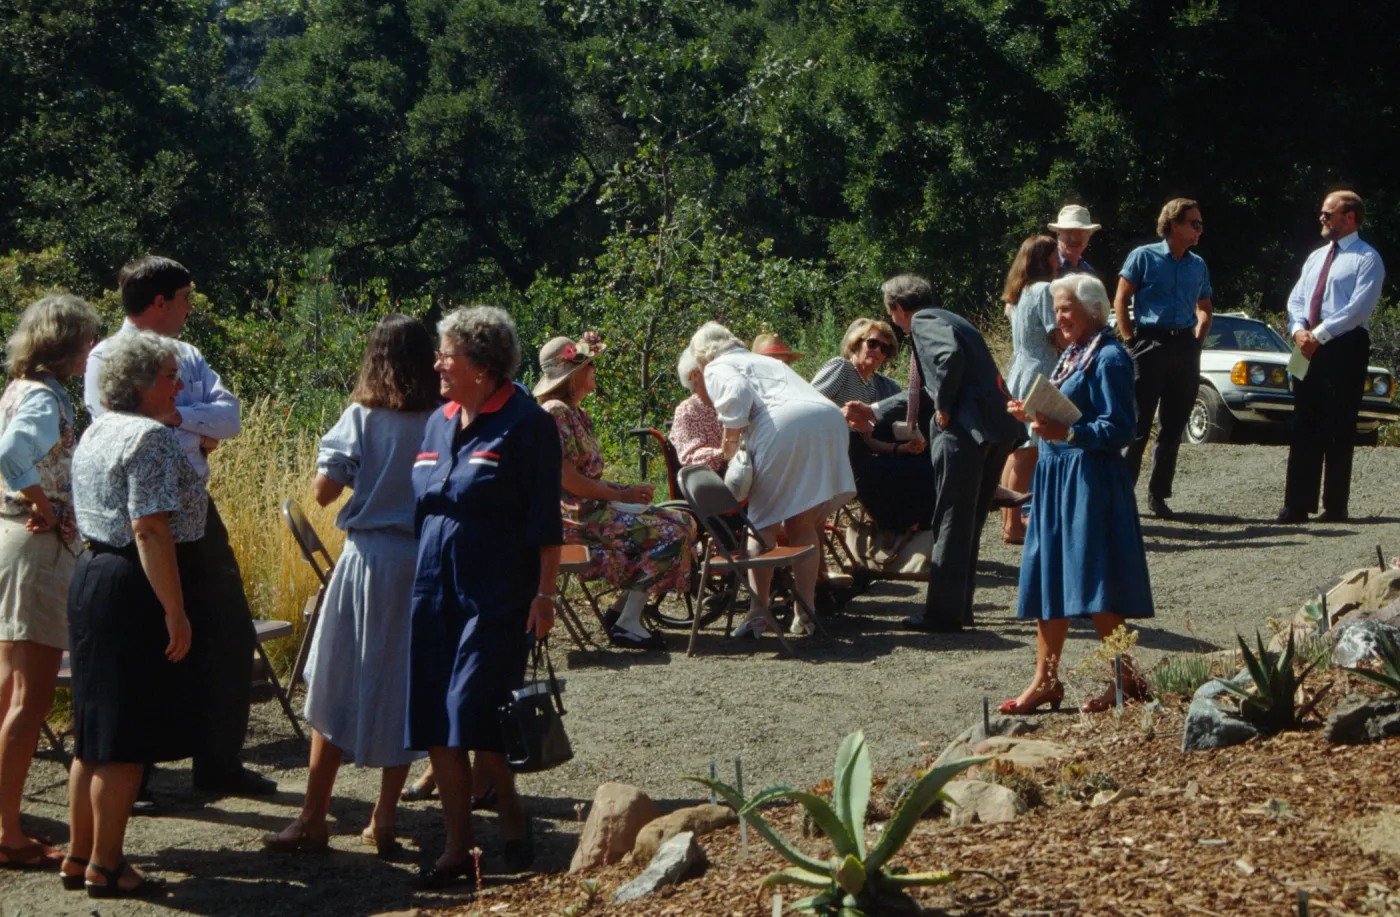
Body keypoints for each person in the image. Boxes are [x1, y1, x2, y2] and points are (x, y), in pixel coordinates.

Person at [84, 256, 274, 804]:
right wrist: (194, 427)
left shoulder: (186, 354)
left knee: (229, 631)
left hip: (195, 509)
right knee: (147, 640)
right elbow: (120, 431)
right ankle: (135, 774)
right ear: (160, 301)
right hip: (140, 516)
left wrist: (180, 417)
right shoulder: (106, 357)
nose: (191, 308)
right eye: (186, 298)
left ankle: (218, 762)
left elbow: (230, 419)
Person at [264, 315, 437, 855]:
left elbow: (323, 492)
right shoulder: (443, 418)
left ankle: (313, 816)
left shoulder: (361, 416)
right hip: (422, 562)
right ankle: (383, 818)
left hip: (367, 562)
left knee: (336, 681)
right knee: (404, 685)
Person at [406, 306, 561, 887]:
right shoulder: (437, 420)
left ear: (481, 363)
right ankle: (460, 848)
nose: (436, 365)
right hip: (432, 589)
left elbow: (546, 521)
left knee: (470, 708)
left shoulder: (527, 424)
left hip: (496, 594)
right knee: (435, 717)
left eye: (446, 354)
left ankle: (510, 813)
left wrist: (544, 594)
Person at [66, 330, 206, 896]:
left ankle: (79, 855)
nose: (179, 387)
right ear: (143, 383)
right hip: (130, 583)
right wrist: (175, 610)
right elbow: (149, 529)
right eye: (171, 377)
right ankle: (107, 865)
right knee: (121, 739)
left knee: (93, 732)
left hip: (92, 575)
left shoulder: (99, 428)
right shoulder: (149, 436)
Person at [1003, 274, 1153, 714]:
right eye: (1056, 310)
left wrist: (1069, 432)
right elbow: (1068, 411)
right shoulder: (1072, 353)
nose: (1060, 317)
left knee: (1094, 577)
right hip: (1056, 476)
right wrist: (1034, 415)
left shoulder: (1109, 357)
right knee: (1050, 575)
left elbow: (1122, 428)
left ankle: (1127, 678)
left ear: (1095, 309)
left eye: (1067, 308)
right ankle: (1046, 680)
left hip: (1090, 479)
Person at [843, 275, 1025, 633]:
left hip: (965, 431)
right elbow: (926, 388)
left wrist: (944, 406)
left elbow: (947, 360)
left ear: (897, 308)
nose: (893, 320)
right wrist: (876, 409)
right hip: (995, 429)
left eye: (890, 312)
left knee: (951, 520)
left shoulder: (925, 321)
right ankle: (958, 609)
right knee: (968, 522)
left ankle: (942, 615)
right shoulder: (950, 319)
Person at [0, 295, 99, 870]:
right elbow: (12, 454)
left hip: (15, 544)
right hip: (36, 550)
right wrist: (40, 500)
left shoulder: (19, 388)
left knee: (9, 693)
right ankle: (8, 834)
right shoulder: (42, 396)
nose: (91, 349)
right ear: (66, 345)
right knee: (30, 698)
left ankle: (5, 821)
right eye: (86, 339)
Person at [690, 322, 855, 638]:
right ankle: (805, 614)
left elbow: (736, 399)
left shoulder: (718, 366)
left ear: (702, 355)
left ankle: (758, 613)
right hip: (827, 420)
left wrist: (728, 452)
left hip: (783, 427)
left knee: (762, 524)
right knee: (802, 522)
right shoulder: (763, 361)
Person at [538, 332, 695, 650]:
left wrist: (625, 489)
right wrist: (621, 497)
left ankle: (621, 612)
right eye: (589, 365)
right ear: (573, 374)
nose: (594, 370)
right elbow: (568, 479)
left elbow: (587, 475)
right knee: (671, 533)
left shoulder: (577, 413)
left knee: (684, 520)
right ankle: (627, 622)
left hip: (593, 510)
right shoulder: (555, 412)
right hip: (575, 519)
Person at [1278, 191, 1386, 524]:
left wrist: (1319, 335)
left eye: (1329, 213)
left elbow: (1358, 309)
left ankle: (1335, 506)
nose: (1322, 218)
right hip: (1307, 344)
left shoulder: (1367, 258)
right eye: (1322, 213)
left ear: (1350, 217)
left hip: (1344, 345)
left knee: (1339, 423)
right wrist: (1299, 331)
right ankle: (1297, 505)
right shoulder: (1316, 257)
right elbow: (1296, 299)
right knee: (1303, 421)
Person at [1114, 199, 1214, 520]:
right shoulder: (1143, 256)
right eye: (1194, 223)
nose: (1200, 229)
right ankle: (1120, 496)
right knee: (1138, 424)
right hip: (1149, 343)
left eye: (1200, 223)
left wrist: (1196, 343)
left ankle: (1158, 496)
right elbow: (1121, 299)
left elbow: (1205, 307)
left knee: (1173, 426)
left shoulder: (1198, 265)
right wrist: (1131, 341)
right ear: (1174, 225)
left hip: (1184, 346)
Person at [810, 317, 934, 533]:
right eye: (873, 343)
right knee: (905, 473)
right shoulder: (842, 368)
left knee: (924, 465)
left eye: (884, 349)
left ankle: (914, 529)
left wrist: (901, 448)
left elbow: (868, 440)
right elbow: (808, 406)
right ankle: (897, 527)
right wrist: (838, 415)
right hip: (834, 451)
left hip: (860, 452)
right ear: (856, 343)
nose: (877, 351)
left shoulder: (874, 387)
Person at [1000, 235, 1064, 544]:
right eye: (1054, 255)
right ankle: (1013, 526)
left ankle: (1009, 521)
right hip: (1040, 372)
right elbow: (1058, 335)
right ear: (1044, 259)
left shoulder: (1019, 292)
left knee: (1017, 450)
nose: (1059, 261)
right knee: (1029, 450)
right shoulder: (1044, 290)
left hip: (1019, 370)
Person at [670, 347, 727, 474]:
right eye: (712, 369)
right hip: (710, 480)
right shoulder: (687, 410)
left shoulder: (725, 404)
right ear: (695, 376)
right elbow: (691, 457)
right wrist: (725, 452)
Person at [1048, 205, 1100, 277]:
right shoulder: (1045, 266)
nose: (1074, 238)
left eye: (1081, 232)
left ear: (1089, 236)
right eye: (1068, 232)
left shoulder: (1089, 272)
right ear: (1058, 233)